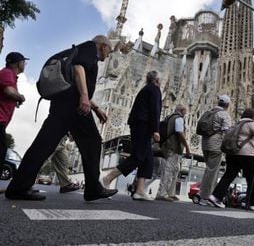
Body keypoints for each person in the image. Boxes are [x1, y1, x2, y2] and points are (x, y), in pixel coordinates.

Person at [6, 35, 117, 201]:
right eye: (109, 51)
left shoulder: (83, 50)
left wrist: (95, 107)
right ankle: (18, 187)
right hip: (72, 106)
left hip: (68, 105)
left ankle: (19, 186)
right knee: (53, 143)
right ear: (103, 46)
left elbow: (77, 80)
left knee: (53, 143)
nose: (108, 55)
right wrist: (85, 97)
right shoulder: (89, 48)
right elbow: (78, 68)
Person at [103, 70, 162, 201]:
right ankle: (108, 177)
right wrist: (156, 130)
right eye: (160, 79)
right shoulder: (154, 89)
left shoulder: (146, 89)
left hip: (139, 124)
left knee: (147, 159)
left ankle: (140, 191)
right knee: (137, 156)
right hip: (143, 125)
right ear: (157, 80)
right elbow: (155, 110)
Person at [207, 108, 254, 212]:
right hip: (246, 154)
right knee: (253, 179)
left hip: (232, 153)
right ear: (253, 116)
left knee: (228, 176)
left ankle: (215, 197)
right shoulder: (251, 123)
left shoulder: (237, 124)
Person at [198, 95, 232, 206]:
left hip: (205, 144)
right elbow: (227, 131)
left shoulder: (209, 112)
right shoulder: (224, 115)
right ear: (227, 105)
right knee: (212, 171)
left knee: (209, 170)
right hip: (216, 145)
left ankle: (204, 194)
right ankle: (204, 197)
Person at [0, 52, 27, 187]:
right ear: (18, 63)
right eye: (24, 62)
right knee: (1, 150)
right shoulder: (7, 73)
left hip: (2, 120)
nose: (25, 65)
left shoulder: (11, 75)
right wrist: (20, 97)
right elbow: (9, 91)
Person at [155, 104, 190, 202]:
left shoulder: (170, 117)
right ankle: (162, 193)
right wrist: (187, 147)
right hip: (173, 147)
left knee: (175, 170)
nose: (186, 113)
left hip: (172, 147)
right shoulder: (178, 118)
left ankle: (170, 193)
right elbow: (179, 132)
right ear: (182, 110)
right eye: (185, 111)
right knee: (169, 170)